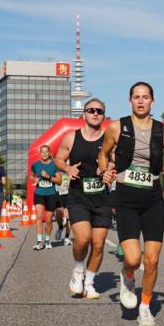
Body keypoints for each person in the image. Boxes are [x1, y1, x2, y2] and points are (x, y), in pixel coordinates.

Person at [98, 82, 164, 326]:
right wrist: (105, 171)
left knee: (152, 260)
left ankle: (145, 306)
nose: (141, 101)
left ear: (152, 101)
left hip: (153, 197)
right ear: (130, 101)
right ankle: (128, 275)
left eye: (145, 97)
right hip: (126, 197)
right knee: (133, 258)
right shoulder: (116, 127)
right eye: (136, 97)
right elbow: (103, 154)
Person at [54, 98, 112, 298]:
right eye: (91, 110)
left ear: (104, 115)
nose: (95, 113)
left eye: (100, 111)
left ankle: (89, 282)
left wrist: (109, 171)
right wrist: (67, 168)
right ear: (84, 114)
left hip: (102, 198)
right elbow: (58, 159)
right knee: (83, 238)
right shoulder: (71, 138)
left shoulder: (109, 139)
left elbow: (117, 162)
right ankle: (78, 270)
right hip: (78, 196)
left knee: (98, 244)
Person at [29, 144, 62, 250]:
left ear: (49, 153)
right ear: (40, 153)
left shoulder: (54, 165)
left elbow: (59, 181)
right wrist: (34, 180)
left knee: (48, 220)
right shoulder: (36, 165)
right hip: (39, 193)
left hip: (51, 194)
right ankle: (39, 241)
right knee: (39, 217)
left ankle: (47, 240)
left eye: (46, 152)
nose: (44, 154)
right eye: (42, 152)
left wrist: (48, 177)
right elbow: (30, 176)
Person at [53, 167, 72, 246]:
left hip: (69, 190)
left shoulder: (73, 159)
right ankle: (60, 227)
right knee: (58, 212)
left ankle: (67, 237)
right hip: (58, 190)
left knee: (68, 214)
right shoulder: (56, 161)